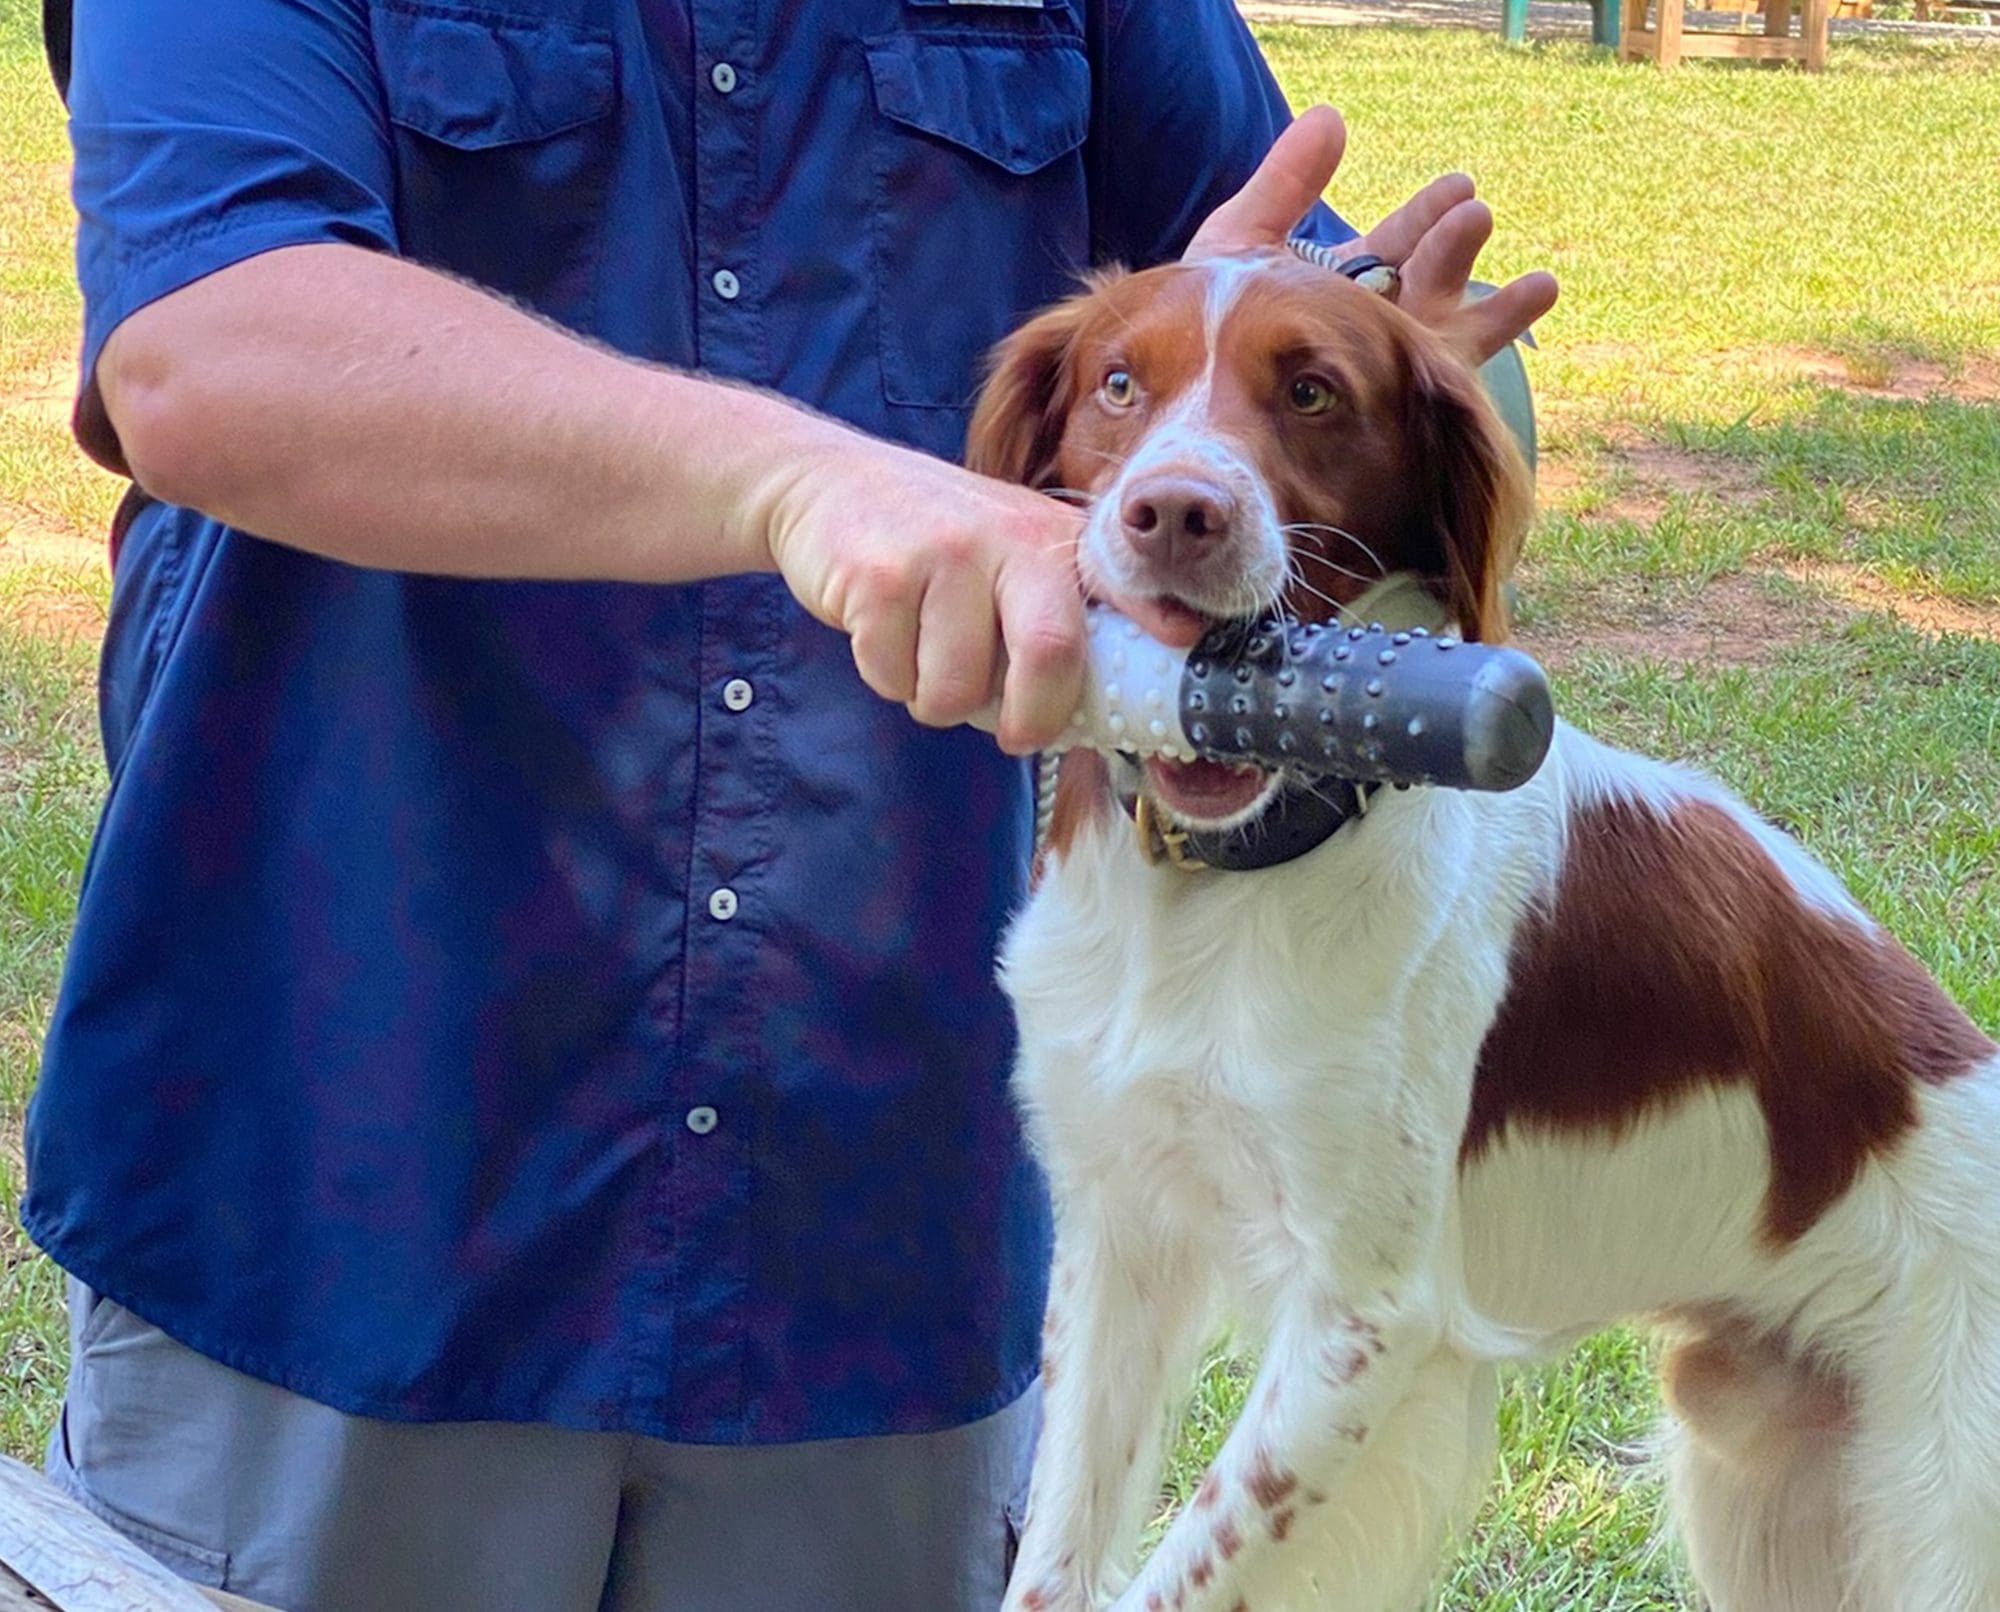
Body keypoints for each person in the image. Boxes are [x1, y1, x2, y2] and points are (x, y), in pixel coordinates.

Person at [25, 1, 1557, 1607]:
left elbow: (1403, 393)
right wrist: (800, 478)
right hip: (343, 1183)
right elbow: (206, 352)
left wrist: (1374, 359)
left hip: (883, 1225)